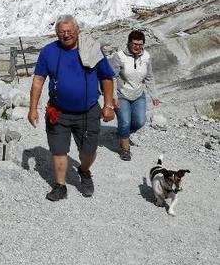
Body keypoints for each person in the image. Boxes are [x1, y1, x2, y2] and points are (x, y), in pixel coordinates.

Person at [27, 15, 115, 201]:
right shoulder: (48, 51)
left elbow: (106, 78)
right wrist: (32, 108)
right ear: (56, 33)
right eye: (62, 32)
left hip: (88, 111)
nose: (66, 35)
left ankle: (84, 171)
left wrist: (108, 105)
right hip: (58, 112)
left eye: (69, 31)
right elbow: (38, 80)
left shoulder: (91, 49)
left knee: (88, 151)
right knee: (58, 150)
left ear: (77, 31)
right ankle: (60, 186)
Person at [109, 29, 161, 161]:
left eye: (140, 44)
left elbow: (149, 77)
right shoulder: (119, 56)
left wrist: (154, 95)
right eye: (134, 44)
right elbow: (111, 77)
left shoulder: (146, 57)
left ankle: (123, 134)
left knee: (139, 121)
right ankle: (125, 149)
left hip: (138, 93)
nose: (137, 47)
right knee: (125, 121)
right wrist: (113, 96)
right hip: (121, 94)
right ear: (129, 43)